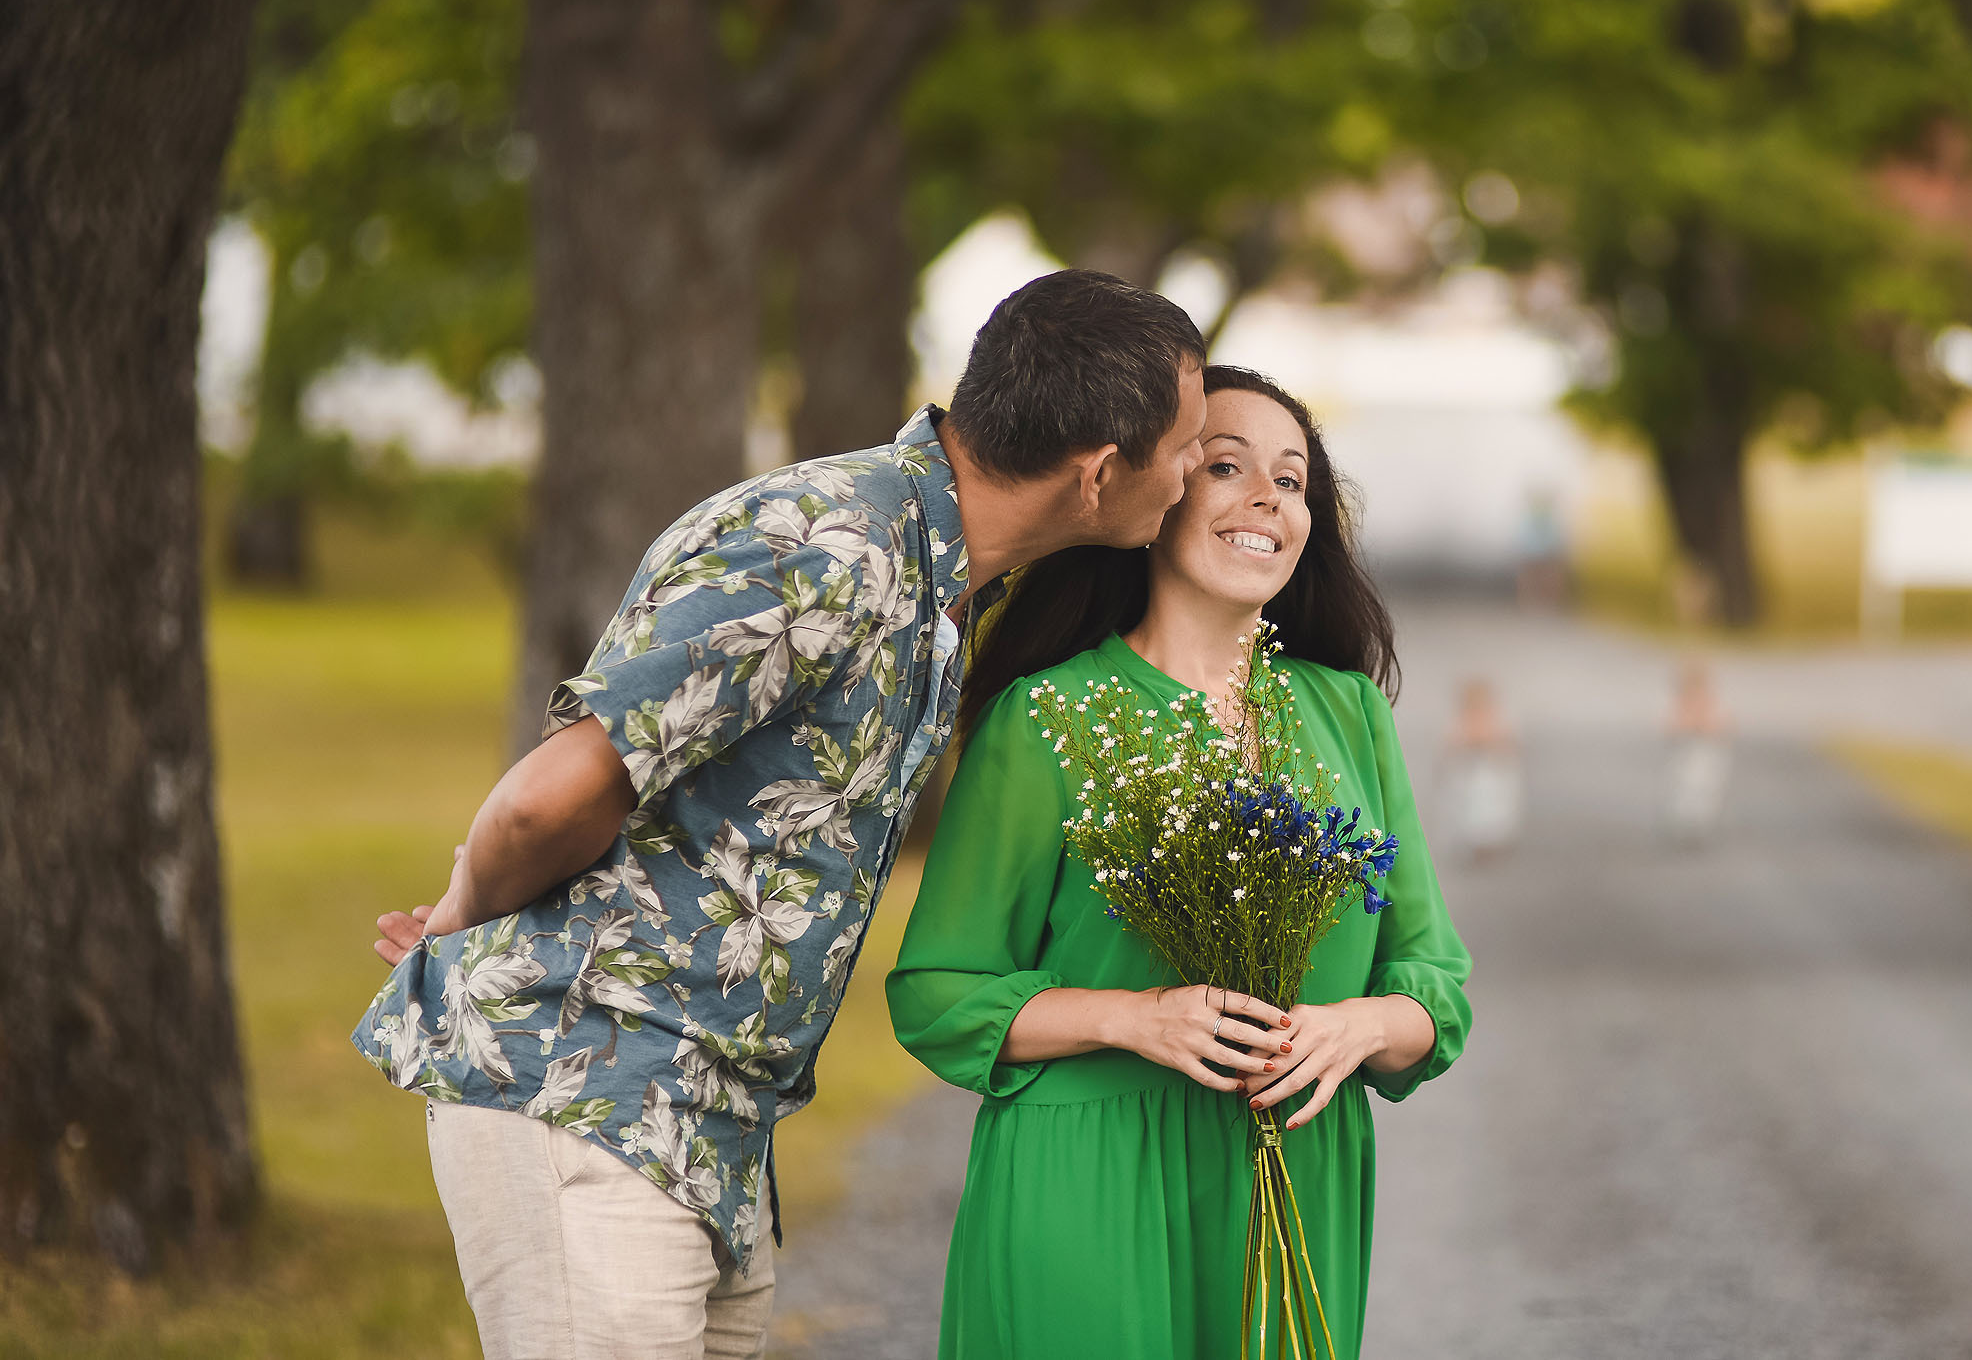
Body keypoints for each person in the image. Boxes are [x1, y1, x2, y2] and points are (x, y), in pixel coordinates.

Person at [352, 269, 1209, 1360]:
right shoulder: (826, 546)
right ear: (1097, 474)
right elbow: (545, 796)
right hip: (588, 1092)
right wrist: (456, 921)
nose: (1190, 476)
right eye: (1185, 449)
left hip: (711, 1132)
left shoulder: (937, 576)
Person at [888, 366, 1472, 1359]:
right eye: (1226, 464)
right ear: (1158, 492)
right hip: (1092, 1173)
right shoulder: (1047, 717)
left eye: (1292, 481)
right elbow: (938, 991)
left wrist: (1358, 1025)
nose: (1266, 497)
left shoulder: (1349, 712)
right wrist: (1136, 1016)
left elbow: (1435, 984)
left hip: (1293, 1170)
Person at [1443, 675, 1524, 863]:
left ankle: (1491, 841)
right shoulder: (1461, 723)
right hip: (1470, 776)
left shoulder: (1495, 721)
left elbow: (1509, 748)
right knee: (1472, 809)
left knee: (1490, 807)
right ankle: (1476, 843)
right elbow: (1450, 749)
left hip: (1488, 776)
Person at [1663, 657, 1732, 845]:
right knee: (1685, 790)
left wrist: (1704, 724)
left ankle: (1700, 824)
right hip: (1686, 755)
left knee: (1705, 790)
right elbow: (1671, 729)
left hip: (1706, 754)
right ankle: (1685, 825)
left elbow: (1722, 727)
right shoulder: (1681, 704)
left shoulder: (1712, 704)